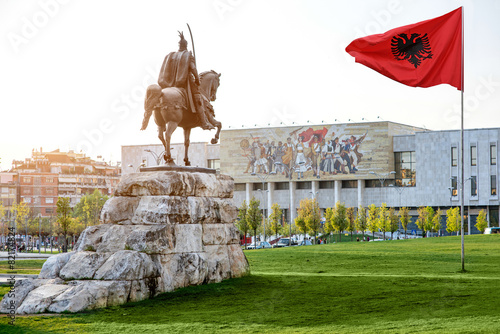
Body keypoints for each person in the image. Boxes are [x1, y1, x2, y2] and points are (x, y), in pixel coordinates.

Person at [146, 31, 213, 130]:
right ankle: (204, 122)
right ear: (186, 46)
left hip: (169, 84)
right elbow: (193, 69)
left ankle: (159, 123)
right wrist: (197, 80)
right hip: (185, 83)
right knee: (198, 98)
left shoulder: (170, 55)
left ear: (179, 46)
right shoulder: (188, 55)